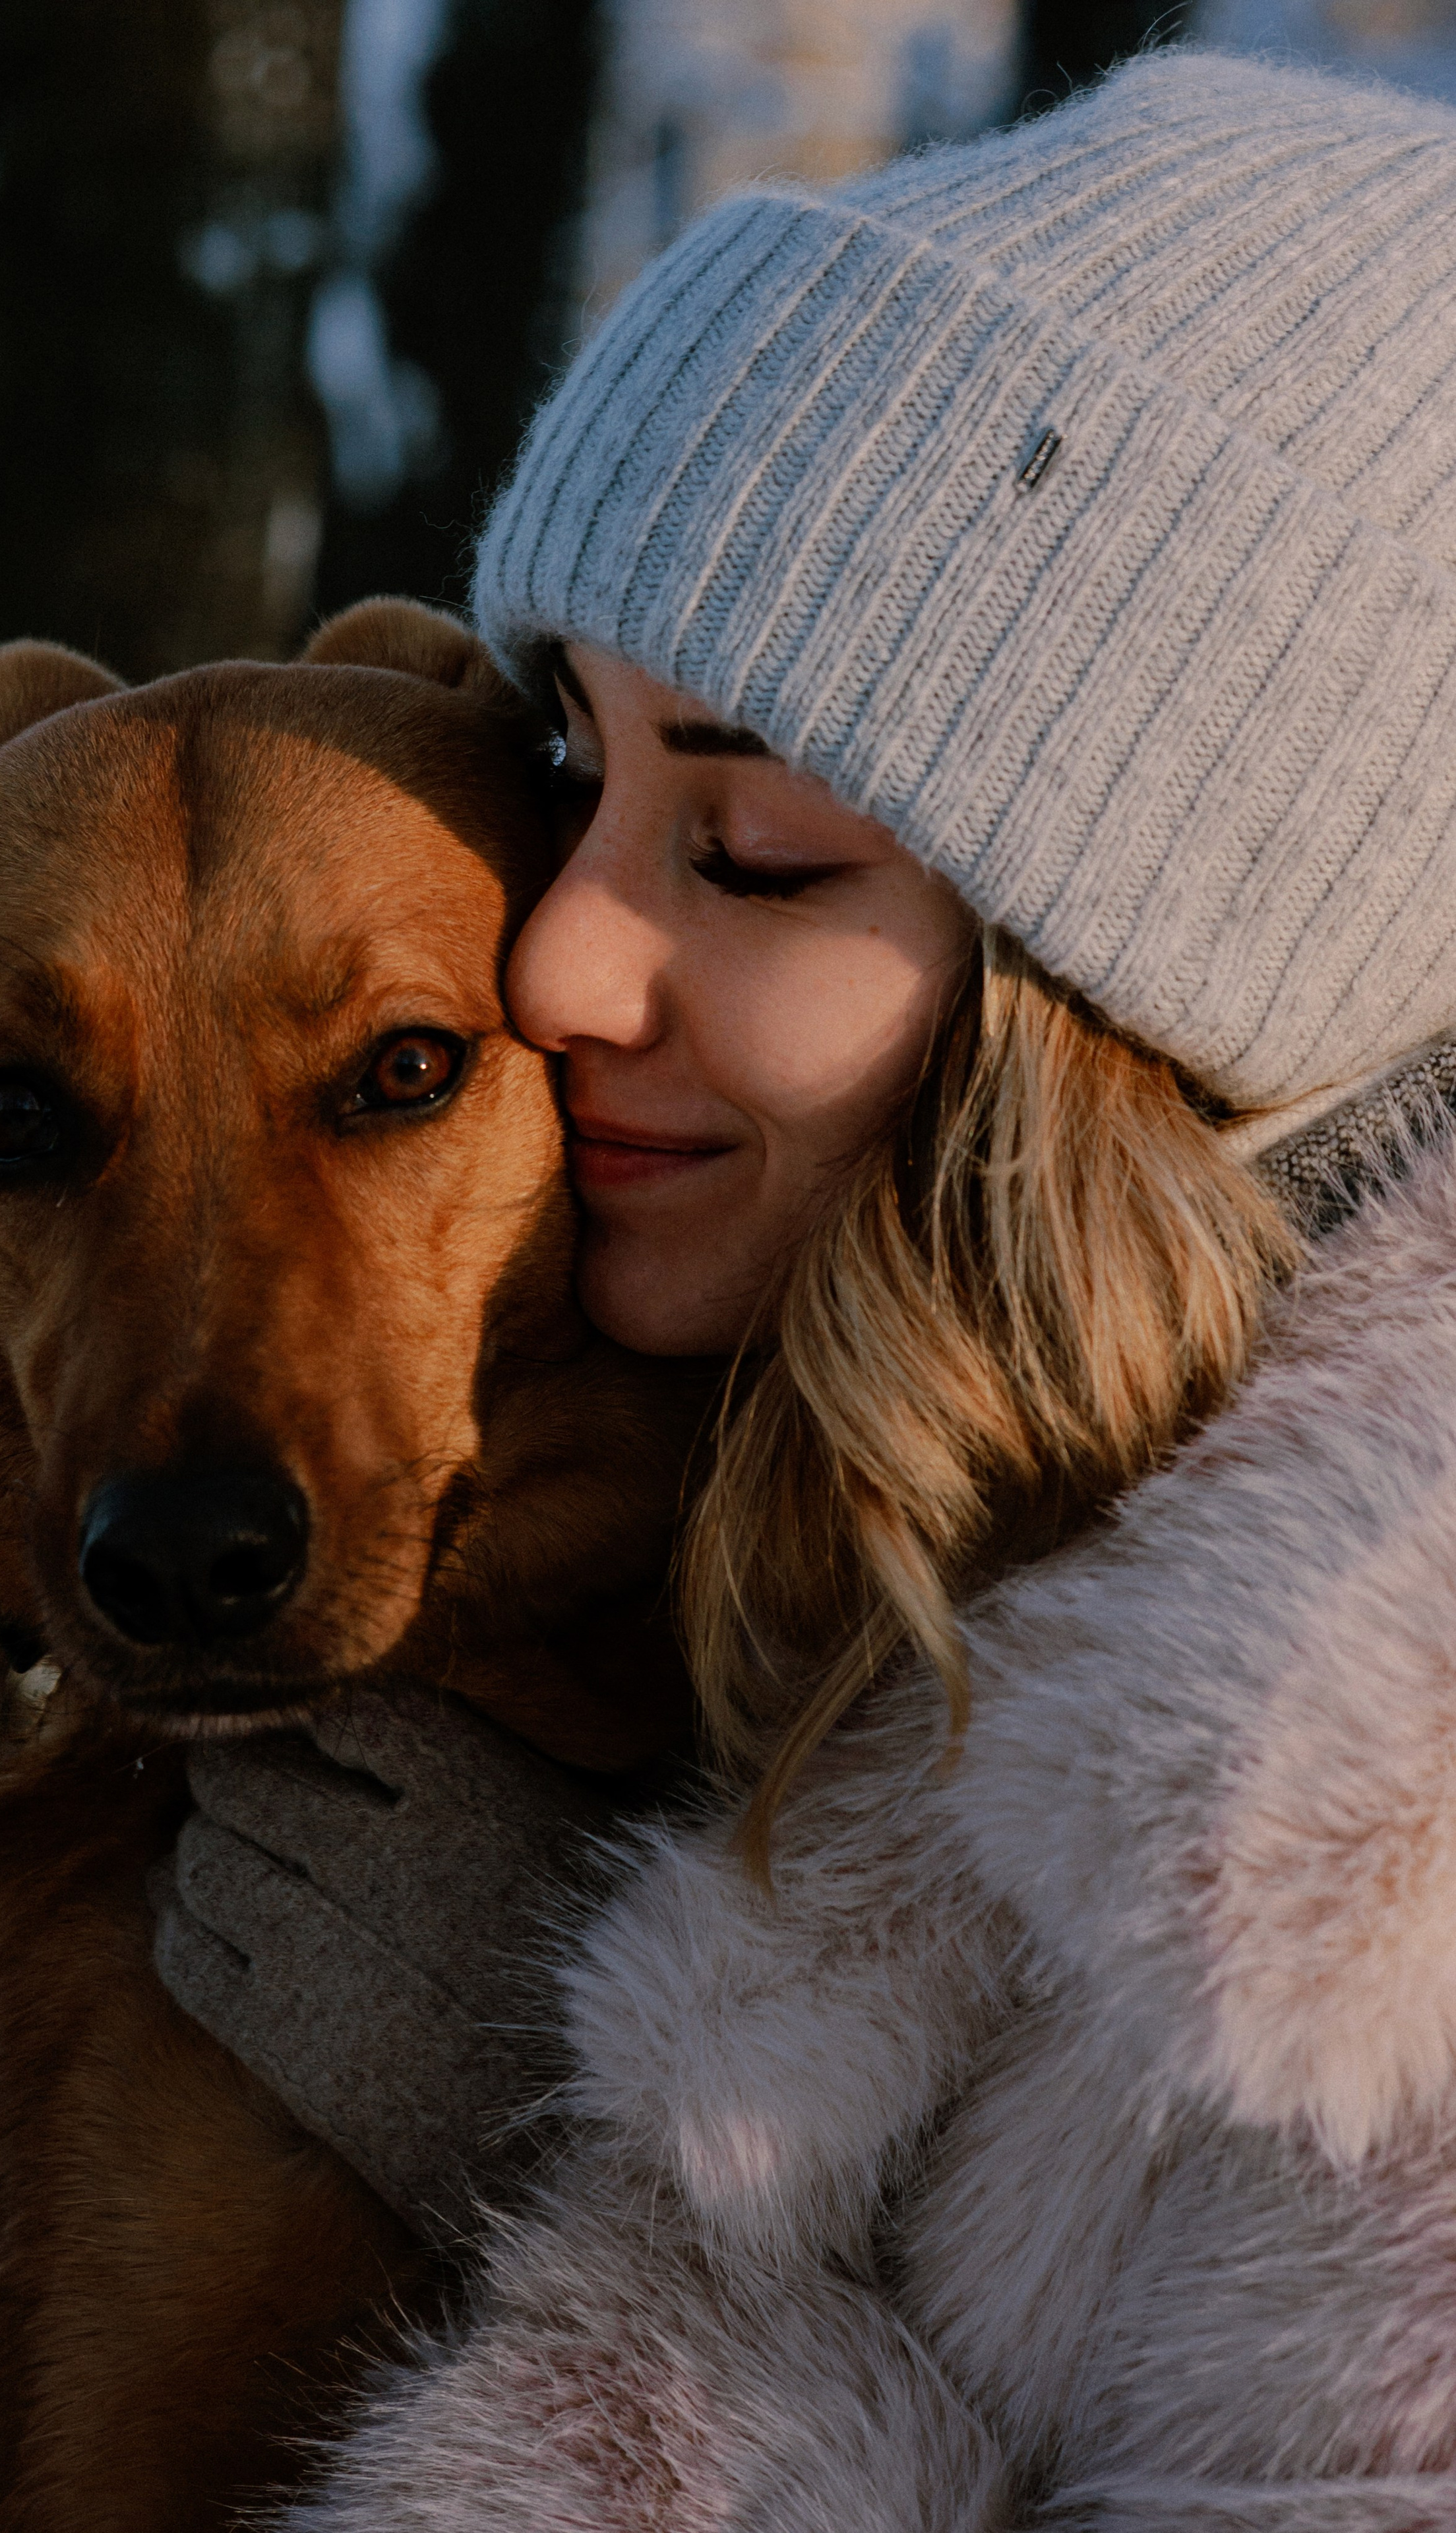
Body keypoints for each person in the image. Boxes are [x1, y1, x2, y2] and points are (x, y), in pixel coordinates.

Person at [156, 47, 1456, 2528]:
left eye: (745, 847)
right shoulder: (873, 1518)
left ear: (1171, 990)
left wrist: (559, 2168)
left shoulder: (1364, 1868)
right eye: (580, 770)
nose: (555, 957)